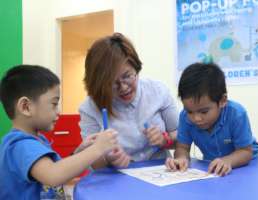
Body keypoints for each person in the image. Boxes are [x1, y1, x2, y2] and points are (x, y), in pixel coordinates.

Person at [0, 65, 118, 199]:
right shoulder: (21, 145)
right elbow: (53, 175)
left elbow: (59, 169)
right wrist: (98, 148)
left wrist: (80, 151)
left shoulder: (37, 139)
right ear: (26, 107)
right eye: (54, 104)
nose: (58, 111)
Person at [79, 32, 178, 169]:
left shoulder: (158, 91)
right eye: (112, 83)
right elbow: (91, 161)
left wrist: (164, 140)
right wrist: (108, 158)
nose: (123, 87)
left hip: (159, 173)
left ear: (136, 68)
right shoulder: (90, 108)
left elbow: (181, 138)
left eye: (127, 76)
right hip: (116, 179)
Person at [165, 62, 258, 176]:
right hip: (215, 166)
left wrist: (227, 161)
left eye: (204, 112)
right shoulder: (185, 117)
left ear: (222, 101)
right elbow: (182, 147)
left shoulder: (237, 114)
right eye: (190, 111)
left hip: (251, 163)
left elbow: (246, 152)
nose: (196, 118)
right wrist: (181, 158)